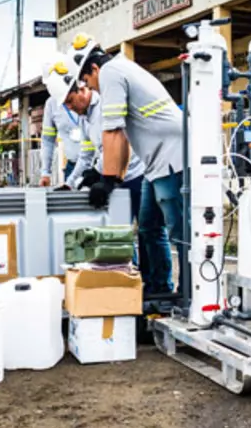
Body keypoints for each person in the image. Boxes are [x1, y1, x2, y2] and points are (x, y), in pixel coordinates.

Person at [74, 32, 185, 296]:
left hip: (172, 158)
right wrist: (111, 176)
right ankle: (157, 290)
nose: (92, 88)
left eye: (88, 81)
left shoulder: (110, 73)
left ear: (94, 69)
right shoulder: (119, 68)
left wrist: (108, 180)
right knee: (148, 226)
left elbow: (112, 130)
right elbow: (121, 135)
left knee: (181, 232)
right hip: (154, 163)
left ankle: (190, 293)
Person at [43, 51, 160, 289]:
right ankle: (131, 281)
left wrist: (104, 177)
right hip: (117, 177)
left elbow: (117, 142)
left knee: (149, 232)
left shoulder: (106, 104)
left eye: (70, 101)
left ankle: (158, 284)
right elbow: (87, 154)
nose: (70, 108)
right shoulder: (84, 117)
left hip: (136, 174)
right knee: (119, 234)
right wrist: (73, 182)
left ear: (82, 90)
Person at [38, 78, 93, 186]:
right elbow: (47, 141)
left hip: (96, 167)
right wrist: (45, 173)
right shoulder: (52, 104)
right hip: (72, 167)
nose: (69, 106)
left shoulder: (90, 96)